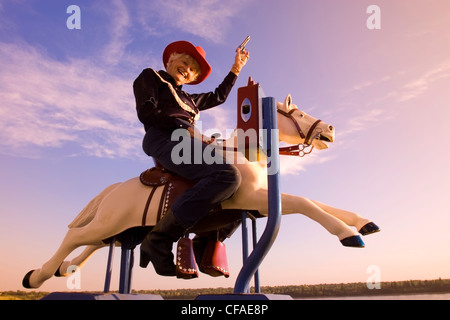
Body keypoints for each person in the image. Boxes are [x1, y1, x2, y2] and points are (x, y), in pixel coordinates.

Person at [133, 40, 249, 276]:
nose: (187, 70)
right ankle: (158, 240)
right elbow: (146, 111)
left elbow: (218, 96)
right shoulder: (152, 77)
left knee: (244, 182)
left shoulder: (189, 100)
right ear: (171, 59)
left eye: (192, 70)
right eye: (185, 62)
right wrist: (182, 128)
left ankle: (205, 240)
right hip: (164, 138)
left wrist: (236, 68)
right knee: (227, 175)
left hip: (189, 140)